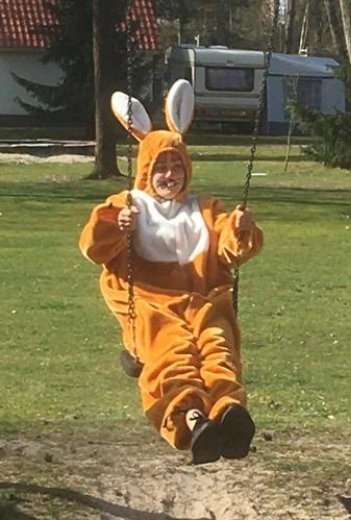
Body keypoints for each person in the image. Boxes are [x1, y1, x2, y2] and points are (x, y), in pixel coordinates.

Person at [79, 80, 264, 463]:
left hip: (203, 300)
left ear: (187, 169)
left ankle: (229, 414)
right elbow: (93, 246)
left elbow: (230, 248)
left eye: (176, 166)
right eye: (160, 167)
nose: (169, 175)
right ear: (145, 170)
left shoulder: (206, 207)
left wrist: (240, 228)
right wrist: (118, 224)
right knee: (172, 355)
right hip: (152, 306)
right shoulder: (130, 204)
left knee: (218, 349)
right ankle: (193, 422)